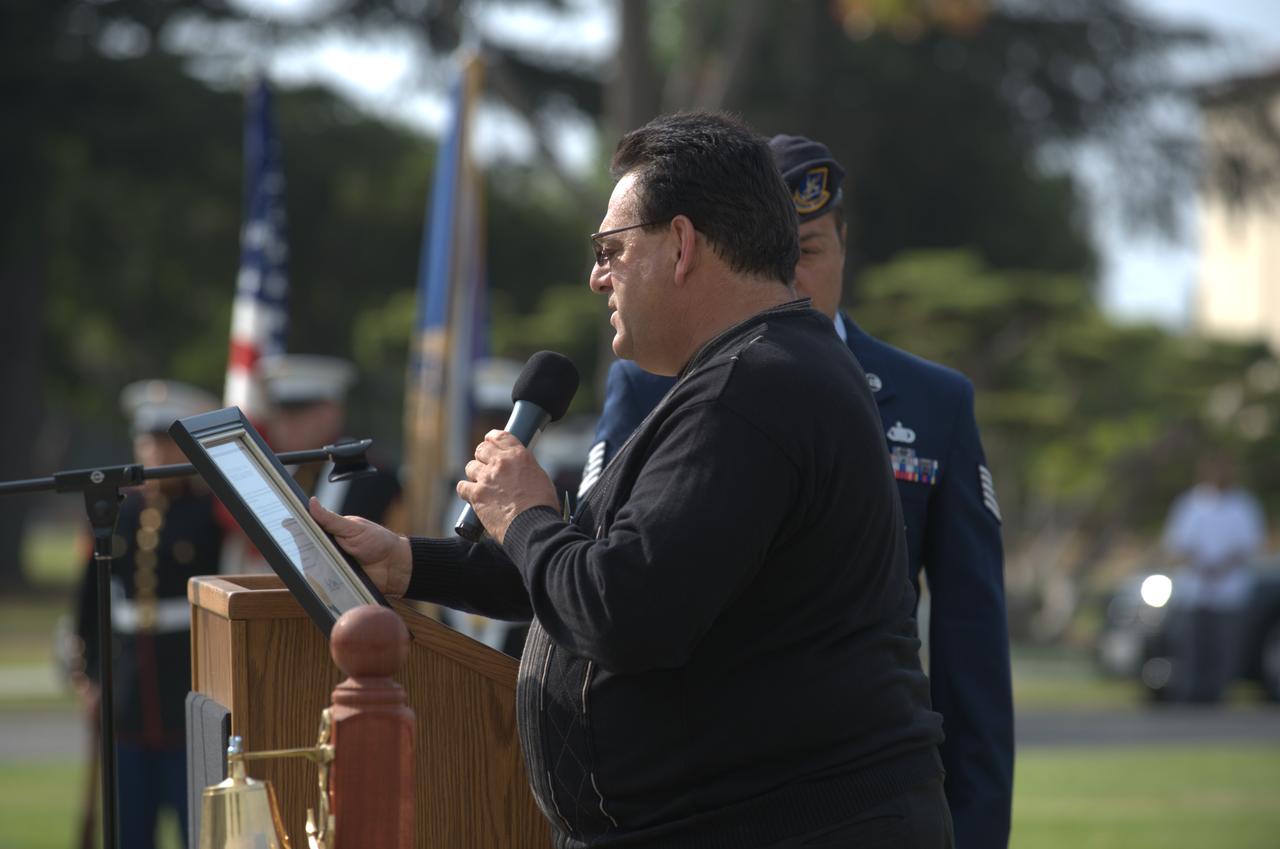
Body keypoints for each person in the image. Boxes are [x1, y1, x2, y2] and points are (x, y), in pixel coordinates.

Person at [311, 112, 952, 849]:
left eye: (611, 249)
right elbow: (584, 568)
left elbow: (621, 608)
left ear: (681, 244)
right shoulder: (754, 372)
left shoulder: (753, 388)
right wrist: (406, 562)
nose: (597, 277)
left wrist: (524, 512)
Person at [581, 134, 1013, 849]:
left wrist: (979, 830)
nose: (791, 273)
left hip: (853, 782)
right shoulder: (650, 379)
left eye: (808, 249)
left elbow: (973, 654)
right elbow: (601, 571)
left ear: (844, 247)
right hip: (699, 789)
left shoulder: (933, 402)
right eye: (776, 251)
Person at [70, 379, 224, 849]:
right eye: (148, 441)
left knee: (198, 825)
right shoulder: (114, 513)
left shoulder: (210, 513)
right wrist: (89, 675)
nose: (156, 453)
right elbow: (91, 602)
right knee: (129, 827)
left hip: (191, 683)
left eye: (166, 443)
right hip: (127, 693)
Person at [1162, 454, 1266, 703]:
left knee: (1224, 646)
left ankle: (1217, 696)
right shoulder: (1191, 503)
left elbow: (1250, 545)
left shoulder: (1243, 505)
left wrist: (1222, 566)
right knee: (1191, 646)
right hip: (1194, 590)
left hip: (1229, 591)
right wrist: (1200, 564)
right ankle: (1189, 696)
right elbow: (1177, 543)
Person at [260, 353, 405, 530]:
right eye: (279, 413)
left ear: (332, 413)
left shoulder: (375, 481)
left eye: (298, 412)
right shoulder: (269, 475)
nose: (284, 424)